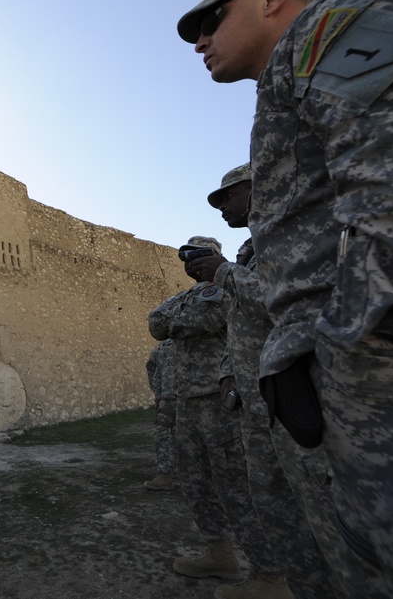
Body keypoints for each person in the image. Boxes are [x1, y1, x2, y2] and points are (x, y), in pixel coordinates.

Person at [177, 0, 393, 596]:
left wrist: (351, 376)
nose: (199, 38)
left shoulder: (338, 24)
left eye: (211, 18)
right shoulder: (296, 80)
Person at [193, 164, 345, 599]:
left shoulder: (298, 232)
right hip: (258, 408)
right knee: (275, 508)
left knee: (322, 512)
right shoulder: (251, 250)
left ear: (260, 189)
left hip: (299, 402)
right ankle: (285, 585)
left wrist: (222, 273)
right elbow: (237, 324)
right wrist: (227, 373)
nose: (222, 207)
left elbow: (283, 300)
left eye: (228, 197)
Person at [149, 237, 281, 597]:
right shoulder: (186, 295)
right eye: (186, 256)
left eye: (198, 254)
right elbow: (156, 322)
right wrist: (177, 319)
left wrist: (177, 321)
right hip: (187, 400)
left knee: (235, 486)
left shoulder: (230, 284)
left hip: (219, 400)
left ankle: (271, 574)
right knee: (195, 483)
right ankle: (220, 554)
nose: (191, 262)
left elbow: (205, 319)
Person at [144, 339, 175, 491]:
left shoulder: (194, 340)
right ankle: (165, 475)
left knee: (190, 437)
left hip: (190, 399)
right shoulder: (163, 346)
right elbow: (151, 366)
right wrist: (156, 391)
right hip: (167, 399)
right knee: (162, 434)